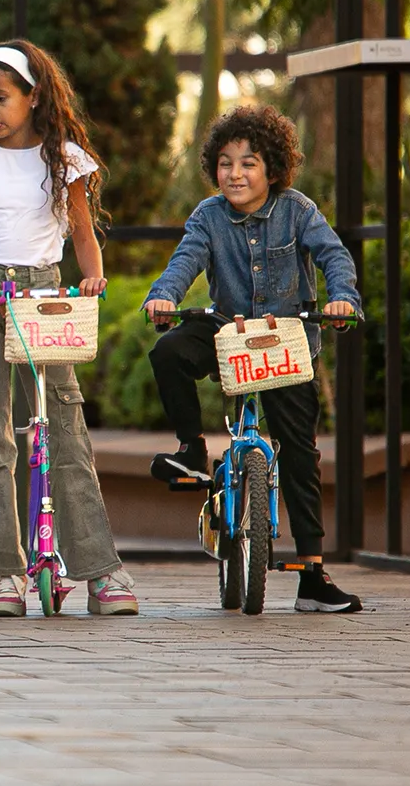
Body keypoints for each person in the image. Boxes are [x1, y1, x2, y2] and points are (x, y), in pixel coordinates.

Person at [0, 41, 140, 617]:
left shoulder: (64, 159)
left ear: (33, 96)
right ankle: (6, 575)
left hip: (44, 299)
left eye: (1, 98)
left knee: (65, 432)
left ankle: (99, 572)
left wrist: (93, 275)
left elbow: (83, 234)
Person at [143, 104, 364, 613]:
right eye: (225, 163)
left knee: (301, 454)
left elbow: (333, 255)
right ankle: (192, 449)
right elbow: (184, 261)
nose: (235, 174)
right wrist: (164, 296)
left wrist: (342, 299)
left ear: (273, 169)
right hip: (229, 329)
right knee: (168, 350)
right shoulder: (208, 216)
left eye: (248, 163)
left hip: (287, 339)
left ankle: (313, 576)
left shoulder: (298, 210)